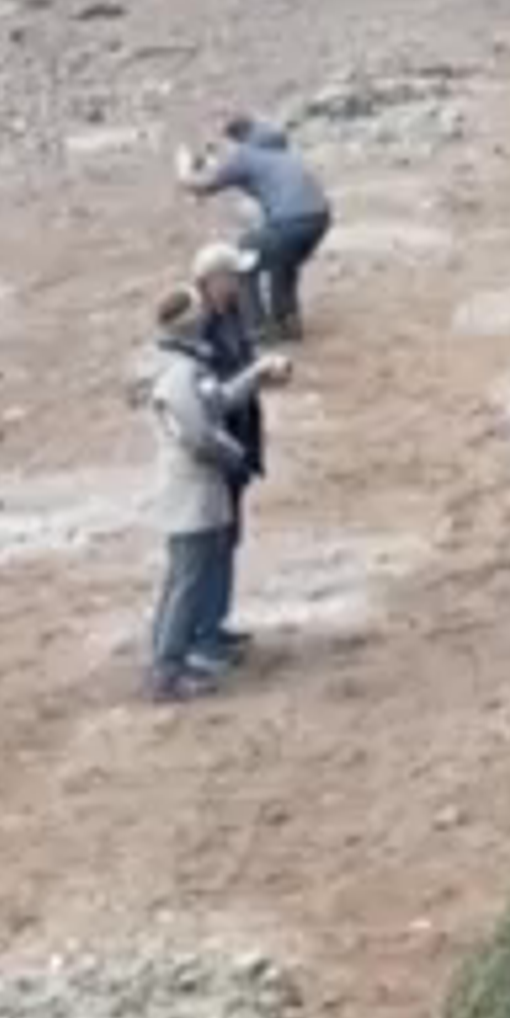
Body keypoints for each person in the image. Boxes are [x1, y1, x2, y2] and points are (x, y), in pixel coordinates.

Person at [138, 290, 249, 699]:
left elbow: (218, 399)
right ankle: (167, 670)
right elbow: (201, 435)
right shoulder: (181, 374)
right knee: (187, 583)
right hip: (192, 491)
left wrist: (255, 376)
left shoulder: (178, 367)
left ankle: (167, 661)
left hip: (188, 490)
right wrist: (235, 454)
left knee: (182, 579)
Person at [181, 236, 279, 664]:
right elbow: (209, 399)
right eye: (233, 277)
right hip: (218, 451)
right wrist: (255, 376)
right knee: (209, 547)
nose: (240, 283)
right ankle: (201, 636)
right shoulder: (198, 329)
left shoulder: (231, 315)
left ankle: (214, 625)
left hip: (237, 445)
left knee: (227, 540)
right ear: (212, 281)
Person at [179, 112, 329, 344]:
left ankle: (257, 330)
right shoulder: (277, 149)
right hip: (319, 217)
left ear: (234, 139)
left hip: (293, 219)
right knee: (282, 261)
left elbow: (203, 186)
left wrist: (183, 171)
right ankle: (288, 323)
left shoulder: (245, 156)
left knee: (244, 257)